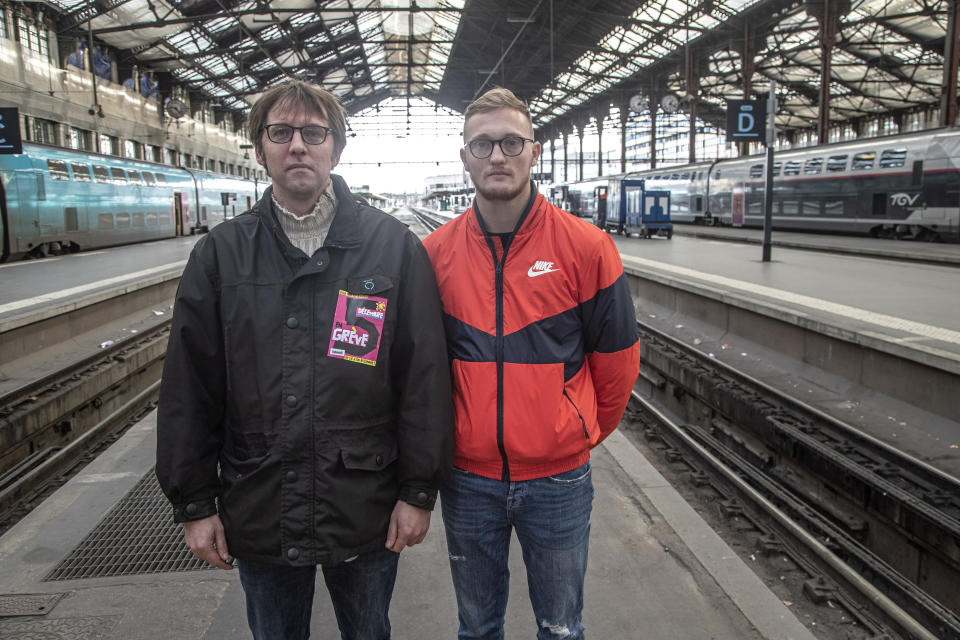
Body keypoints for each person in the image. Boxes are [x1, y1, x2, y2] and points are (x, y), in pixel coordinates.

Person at [156, 79, 454, 640]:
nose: (298, 145)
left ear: (335, 149)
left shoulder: (391, 247)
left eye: (314, 133)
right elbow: (189, 387)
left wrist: (419, 492)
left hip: (363, 501)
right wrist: (194, 502)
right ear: (261, 147)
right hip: (260, 499)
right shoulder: (220, 253)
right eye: (281, 132)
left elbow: (423, 377)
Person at [422, 87, 641, 640]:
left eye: (511, 142)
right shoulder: (434, 255)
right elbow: (420, 369)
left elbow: (616, 364)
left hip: (559, 478)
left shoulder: (587, 247)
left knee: (562, 627)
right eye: (483, 144)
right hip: (468, 479)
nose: (498, 155)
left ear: (534, 151)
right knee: (476, 627)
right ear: (465, 156)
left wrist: (575, 431)